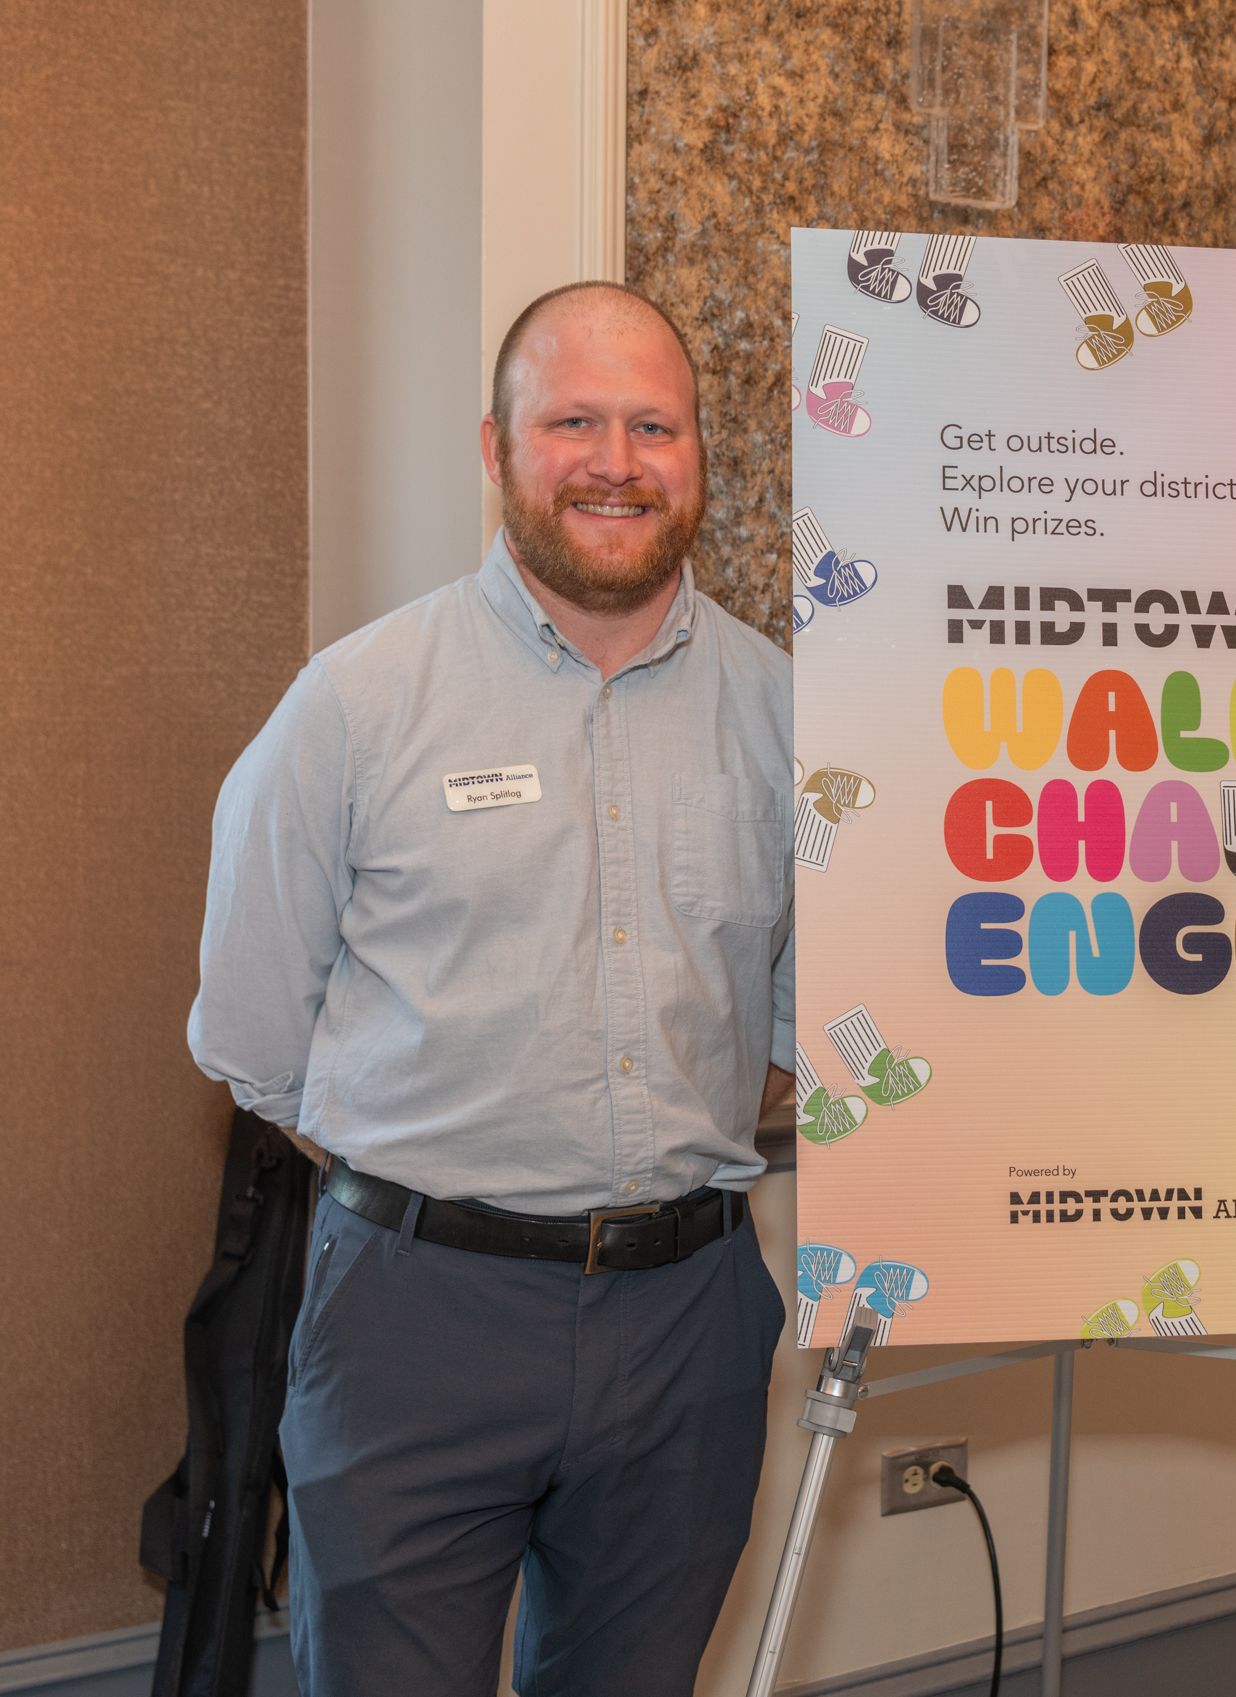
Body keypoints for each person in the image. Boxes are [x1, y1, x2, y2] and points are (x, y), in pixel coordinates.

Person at [188, 280, 794, 1696]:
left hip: (689, 1318)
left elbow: (793, 1026)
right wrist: (448, 1181)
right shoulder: (356, 703)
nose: (616, 460)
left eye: (656, 424)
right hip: (417, 1316)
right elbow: (257, 1041)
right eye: (573, 420)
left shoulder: (787, 714)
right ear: (497, 447)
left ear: (702, 453)